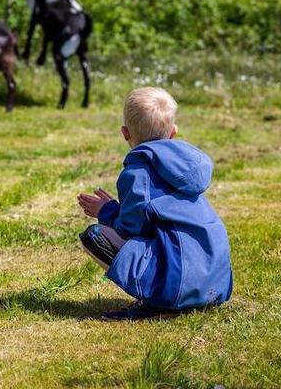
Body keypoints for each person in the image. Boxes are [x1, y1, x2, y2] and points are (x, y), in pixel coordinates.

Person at [76, 87, 233, 321]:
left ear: (125, 133)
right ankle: (192, 295)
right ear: (173, 133)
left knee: (95, 236)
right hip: (217, 281)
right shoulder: (187, 169)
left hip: (179, 283)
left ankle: (160, 303)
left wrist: (107, 211)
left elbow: (130, 230)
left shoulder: (137, 174)